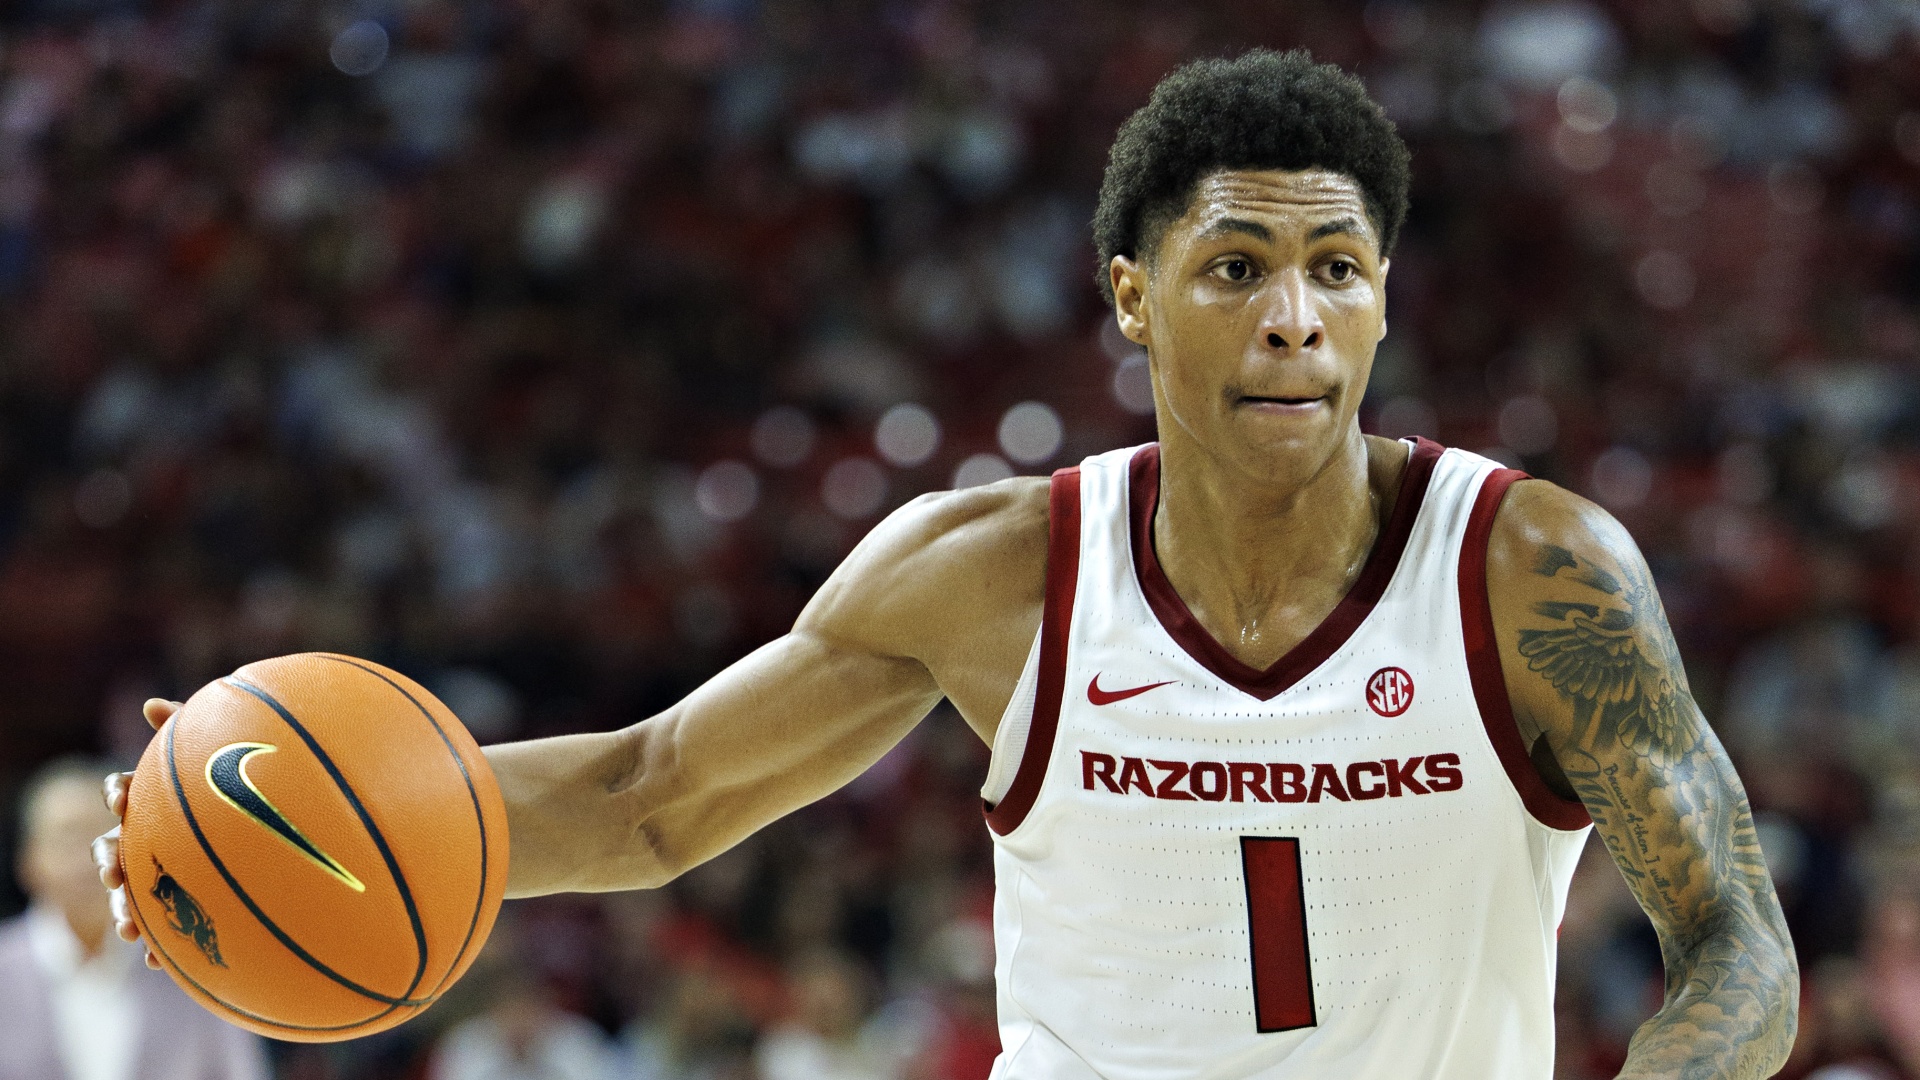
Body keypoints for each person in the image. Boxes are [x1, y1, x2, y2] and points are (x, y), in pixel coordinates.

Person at [98, 50, 1797, 1078]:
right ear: (1132, 295)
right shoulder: (996, 573)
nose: (1296, 318)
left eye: (1339, 269)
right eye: (1238, 266)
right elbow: (650, 796)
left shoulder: (1531, 570)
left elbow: (1739, 940)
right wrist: (265, 829)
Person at [1, 759, 267, 1080]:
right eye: (68, 839)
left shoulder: (190, 965)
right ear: (28, 862)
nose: (91, 856)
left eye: (102, 834)